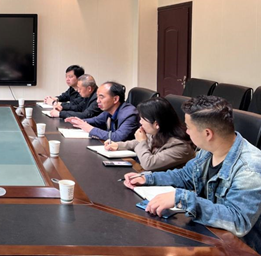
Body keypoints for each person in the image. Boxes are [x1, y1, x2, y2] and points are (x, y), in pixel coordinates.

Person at [124, 96, 261, 253]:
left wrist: (182, 198)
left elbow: (238, 221)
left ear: (207, 133)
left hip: (240, 249)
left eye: (189, 127)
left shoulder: (250, 168)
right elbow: (185, 175)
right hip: (211, 235)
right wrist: (147, 178)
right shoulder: (209, 150)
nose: (186, 131)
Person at [103, 96, 195, 171]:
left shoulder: (180, 146)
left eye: (143, 119)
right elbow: (142, 141)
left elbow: (148, 164)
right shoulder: (159, 133)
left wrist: (142, 142)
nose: (140, 122)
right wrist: (118, 145)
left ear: (156, 124)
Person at [66, 81, 139, 141]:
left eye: (101, 97)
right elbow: (96, 121)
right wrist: (79, 121)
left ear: (115, 99)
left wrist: (90, 129)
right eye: (97, 97)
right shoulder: (109, 110)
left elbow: (117, 137)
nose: (97, 101)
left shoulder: (130, 114)